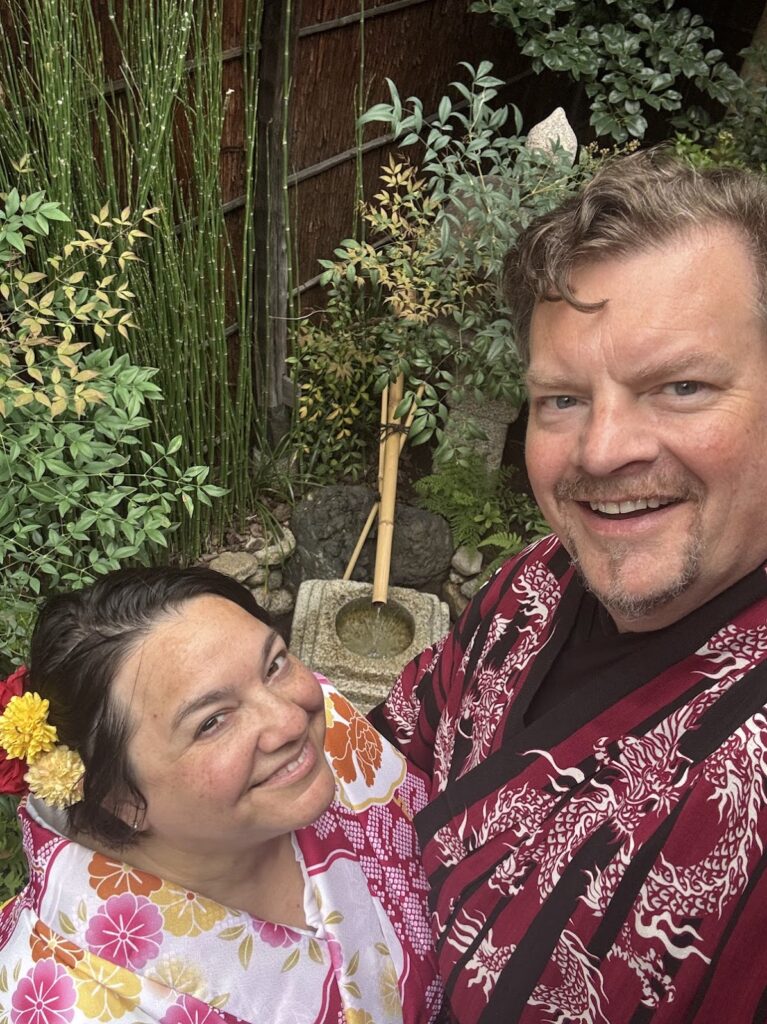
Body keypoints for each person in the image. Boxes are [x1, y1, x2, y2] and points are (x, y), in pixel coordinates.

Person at [369, 146, 767, 1022]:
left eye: (681, 386)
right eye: (561, 399)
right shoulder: (532, 584)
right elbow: (400, 741)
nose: (599, 451)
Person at [0, 567, 443, 1024]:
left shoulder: (323, 732)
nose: (290, 721)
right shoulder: (58, 1002)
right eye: (212, 721)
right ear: (119, 799)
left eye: (273, 664)